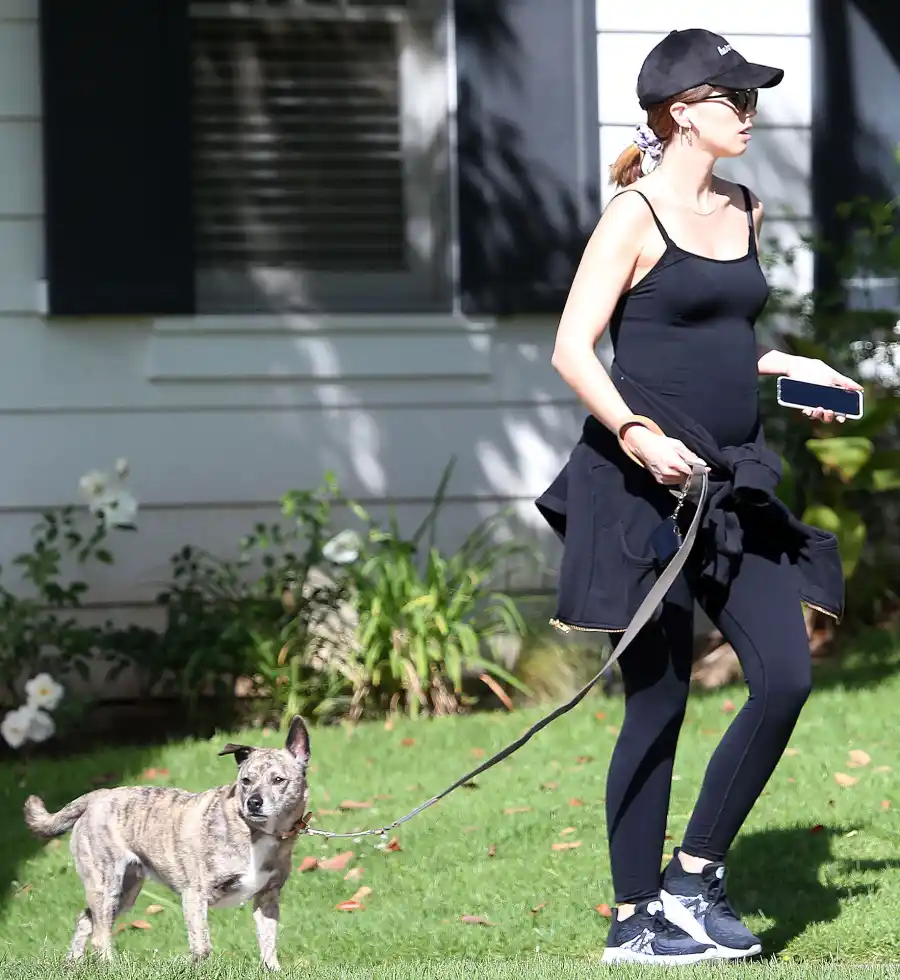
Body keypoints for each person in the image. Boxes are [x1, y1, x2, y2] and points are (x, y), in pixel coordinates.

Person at [535, 28, 863, 966]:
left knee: (786, 676)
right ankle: (635, 917)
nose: (750, 110)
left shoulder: (746, 206)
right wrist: (638, 436)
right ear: (684, 111)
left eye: (752, 94)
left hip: (731, 481)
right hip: (638, 493)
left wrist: (787, 361)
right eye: (734, 96)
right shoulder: (634, 216)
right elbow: (572, 345)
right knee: (660, 704)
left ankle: (693, 878)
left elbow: (718, 338)